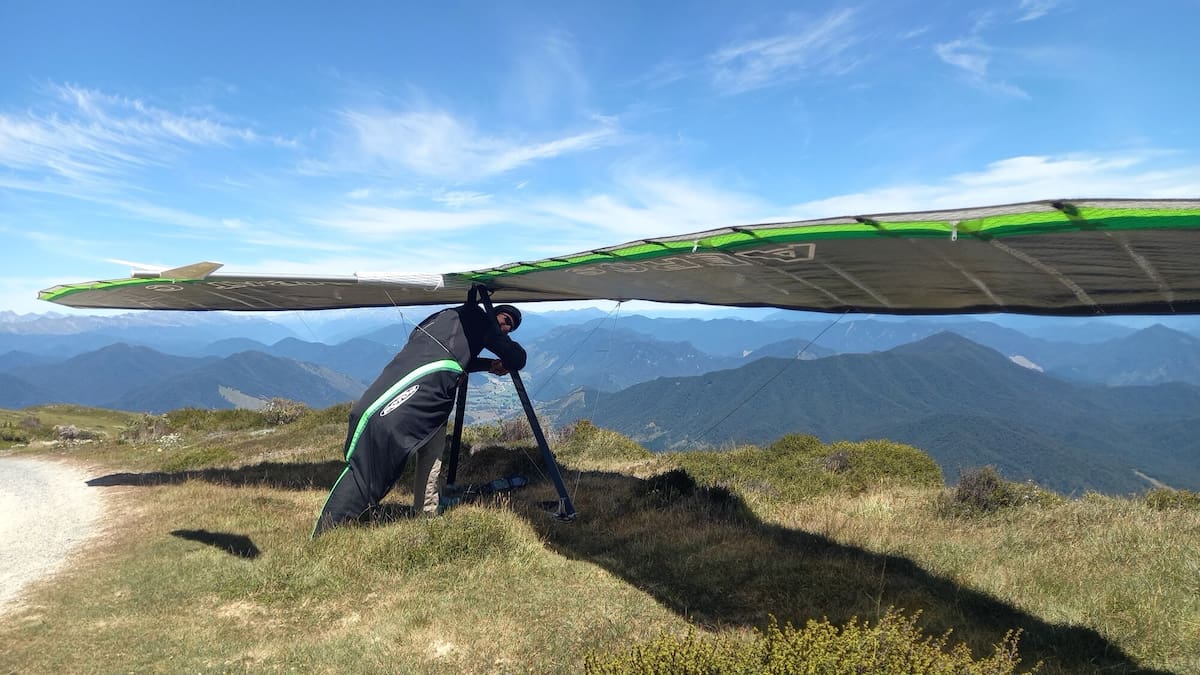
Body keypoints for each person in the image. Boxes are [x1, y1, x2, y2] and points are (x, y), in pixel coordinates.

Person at [311, 293, 525, 537]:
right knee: (376, 467)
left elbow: (458, 356)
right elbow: (516, 358)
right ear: (491, 312)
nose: (506, 327)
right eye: (505, 319)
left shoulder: (451, 319)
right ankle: (330, 532)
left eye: (511, 327)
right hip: (420, 401)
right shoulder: (478, 319)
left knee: (432, 459)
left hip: (430, 406)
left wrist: (488, 365)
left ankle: (426, 515)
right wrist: (504, 354)